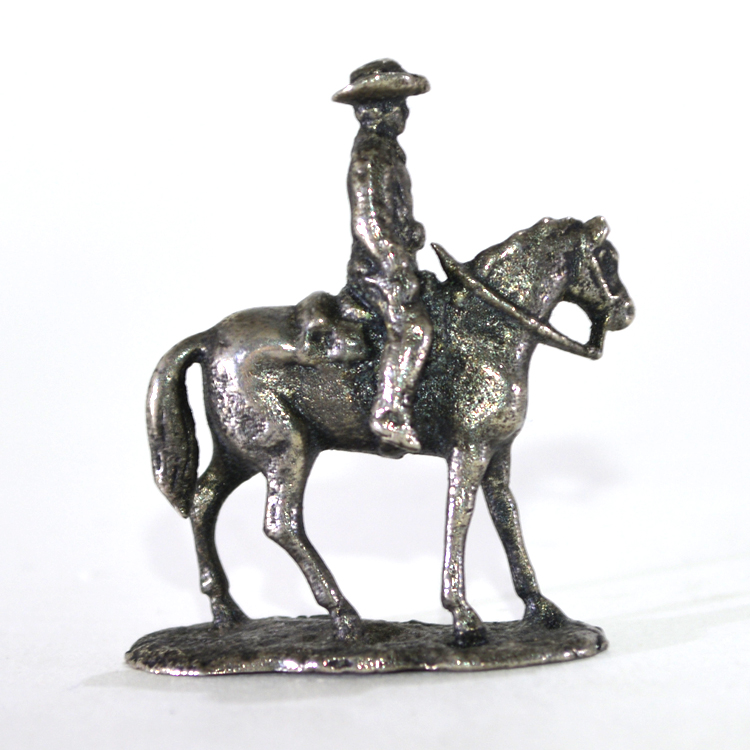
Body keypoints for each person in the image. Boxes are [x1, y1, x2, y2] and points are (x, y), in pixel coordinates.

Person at [333, 59, 433, 453]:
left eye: (402, 104)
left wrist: (410, 228)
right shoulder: (370, 155)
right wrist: (393, 265)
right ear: (369, 111)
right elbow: (368, 222)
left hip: (396, 263)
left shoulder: (388, 151)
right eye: (395, 105)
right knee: (414, 329)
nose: (403, 112)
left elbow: (391, 212)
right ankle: (389, 413)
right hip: (377, 272)